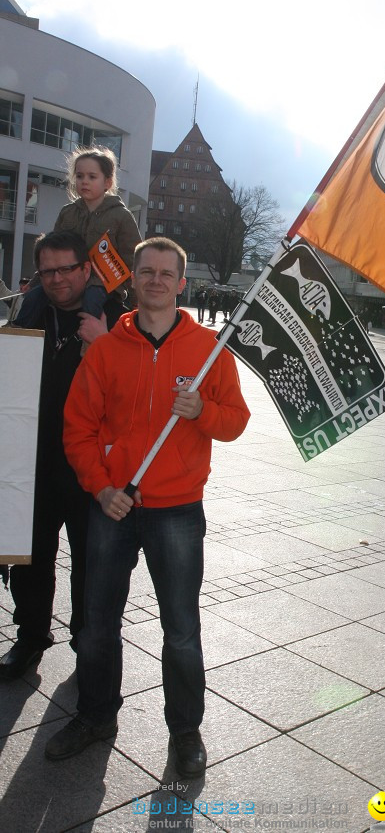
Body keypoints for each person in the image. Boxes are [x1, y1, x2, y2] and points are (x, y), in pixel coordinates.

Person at [45, 237, 250, 778]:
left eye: (167, 273)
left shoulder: (209, 349)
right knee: (96, 624)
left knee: (180, 627)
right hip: (114, 505)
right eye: (146, 271)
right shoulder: (109, 348)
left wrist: (204, 410)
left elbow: (236, 422)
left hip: (178, 509)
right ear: (131, 279)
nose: (156, 280)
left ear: (182, 283)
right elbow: (79, 428)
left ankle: (185, 731)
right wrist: (100, 487)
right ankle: (95, 716)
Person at [0, 232, 123, 681]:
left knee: (91, 562)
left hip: (91, 469)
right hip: (34, 462)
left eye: (66, 269)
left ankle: (86, 643)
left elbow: (133, 388)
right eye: (47, 271)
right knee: (31, 558)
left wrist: (105, 340)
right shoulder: (28, 314)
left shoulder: (113, 317)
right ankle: (31, 637)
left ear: (86, 269)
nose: (56, 279)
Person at [15, 146, 141, 326]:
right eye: (79, 176)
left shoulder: (121, 216)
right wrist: (35, 282)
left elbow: (133, 258)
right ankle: (18, 335)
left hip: (101, 282)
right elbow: (51, 253)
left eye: (92, 176)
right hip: (67, 278)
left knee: (91, 299)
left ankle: (87, 346)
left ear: (107, 182)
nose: (84, 181)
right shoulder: (67, 213)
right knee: (33, 298)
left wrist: (137, 298)